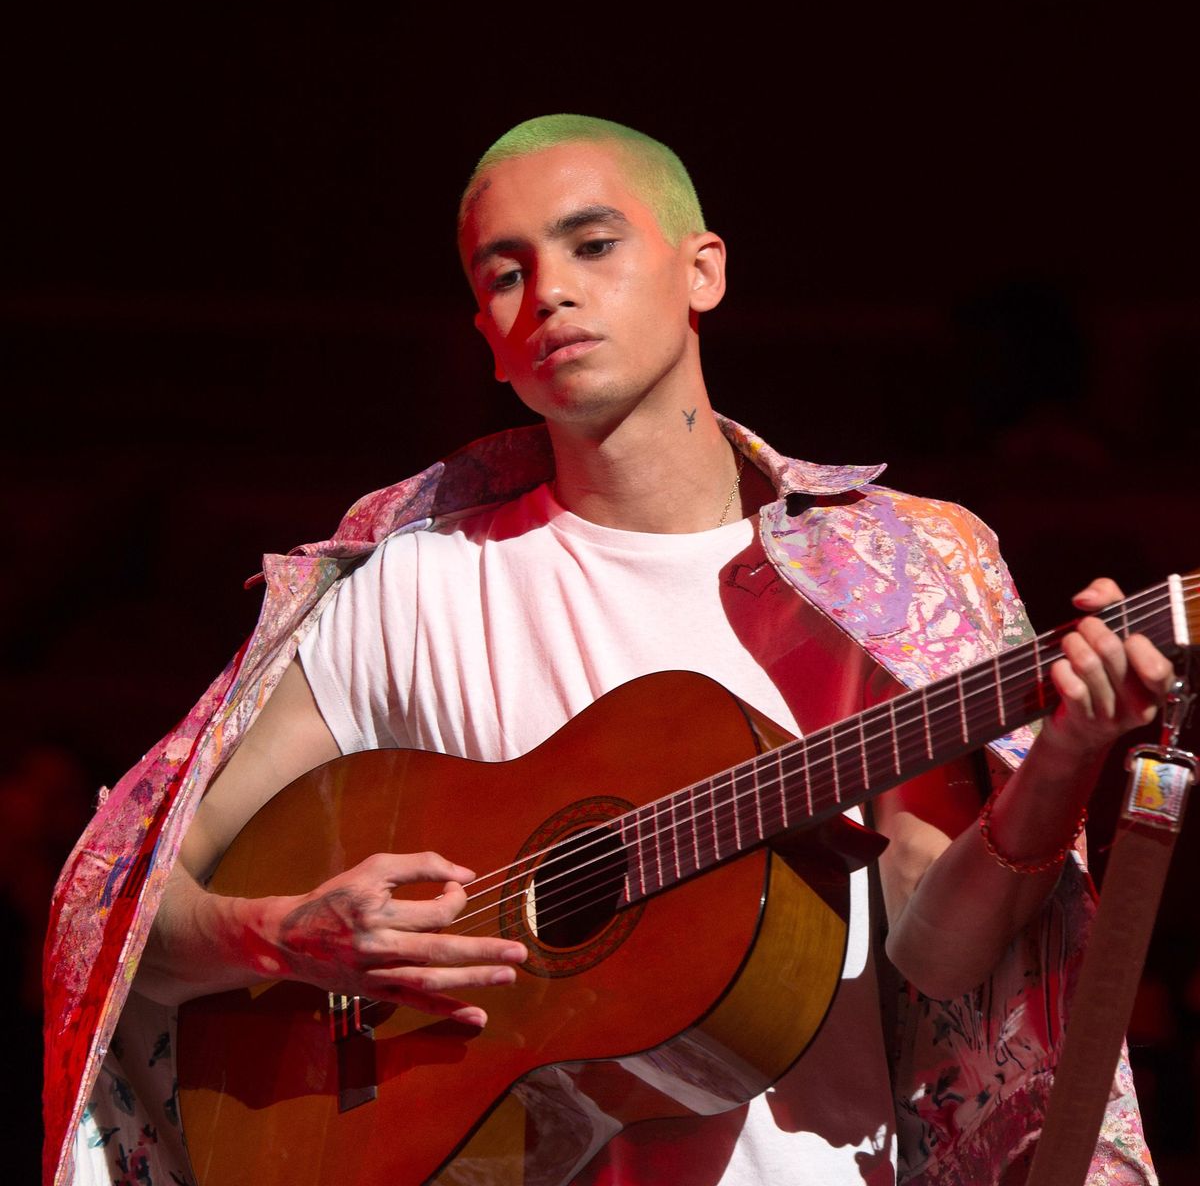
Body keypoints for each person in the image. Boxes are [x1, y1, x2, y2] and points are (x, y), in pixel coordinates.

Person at [44, 115, 1171, 1186]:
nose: (551, 292)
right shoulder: (410, 585)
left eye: (592, 245)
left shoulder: (888, 579)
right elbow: (132, 917)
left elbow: (937, 951)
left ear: (702, 272)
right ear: (488, 341)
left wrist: (1064, 762)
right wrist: (283, 936)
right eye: (505, 273)